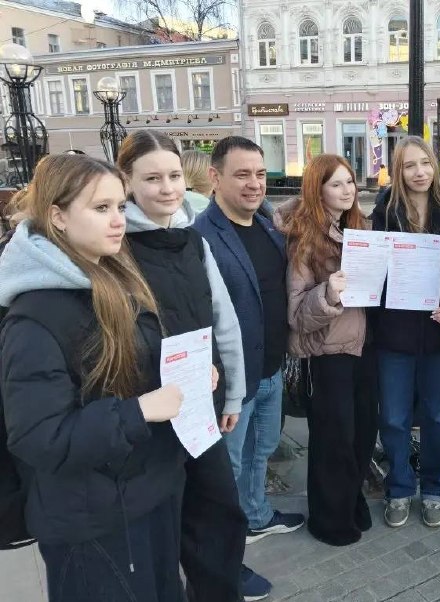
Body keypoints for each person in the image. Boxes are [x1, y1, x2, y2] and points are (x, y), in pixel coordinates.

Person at [0, 154, 186, 601]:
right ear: (58, 217)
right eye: (101, 209)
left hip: (144, 495)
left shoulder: (112, 276)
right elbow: (39, 437)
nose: (118, 220)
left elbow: (125, 373)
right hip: (90, 523)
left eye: (120, 206)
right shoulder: (34, 316)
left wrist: (185, 372)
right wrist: (141, 410)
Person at [116, 130, 253, 602]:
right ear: (127, 182)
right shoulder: (115, 248)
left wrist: (232, 390)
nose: (168, 188)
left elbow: (223, 319)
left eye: (174, 175)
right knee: (158, 532)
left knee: (218, 514)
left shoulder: (194, 241)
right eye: (152, 178)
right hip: (146, 415)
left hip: (199, 407)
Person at [193, 137, 305, 595]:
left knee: (261, 452)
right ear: (215, 178)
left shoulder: (266, 225)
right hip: (233, 381)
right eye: (242, 174)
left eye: (260, 174)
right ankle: (227, 560)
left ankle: (258, 515)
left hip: (272, 368)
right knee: (229, 469)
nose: (254, 183)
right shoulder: (201, 235)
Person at [274, 154, 378, 547]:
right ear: (317, 190)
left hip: (365, 349)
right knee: (333, 440)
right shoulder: (305, 239)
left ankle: (351, 503)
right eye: (336, 184)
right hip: (328, 354)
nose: (347, 190)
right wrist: (328, 293)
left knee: (363, 434)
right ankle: (330, 519)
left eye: (350, 182)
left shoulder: (361, 228)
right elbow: (297, 314)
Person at [370, 136, 440, 529]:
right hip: (395, 335)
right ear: (398, 170)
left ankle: (436, 488)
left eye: (425, 163)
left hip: (439, 333)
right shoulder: (384, 211)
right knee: (393, 417)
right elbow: (373, 269)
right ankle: (400, 487)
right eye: (410, 165)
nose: (420, 172)